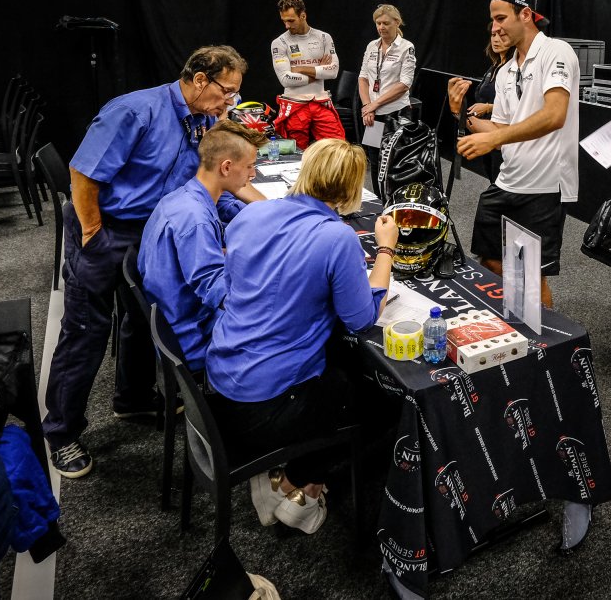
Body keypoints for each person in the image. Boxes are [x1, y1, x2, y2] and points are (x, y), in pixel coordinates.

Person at [43, 45, 261, 479]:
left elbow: (207, 179)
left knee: (142, 318)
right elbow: (82, 175)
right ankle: (61, 432)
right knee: (86, 330)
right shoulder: (134, 111)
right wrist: (93, 234)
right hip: (105, 226)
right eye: (226, 91)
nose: (230, 101)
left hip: (147, 228)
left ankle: (133, 399)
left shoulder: (201, 119)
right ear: (200, 80)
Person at [204, 138, 398, 534]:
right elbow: (361, 319)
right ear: (351, 191)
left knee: (340, 375)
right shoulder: (337, 237)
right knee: (384, 404)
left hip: (221, 380)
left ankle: (301, 481)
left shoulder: (251, 214)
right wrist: (385, 250)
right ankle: (295, 483)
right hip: (265, 406)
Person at [449, 0, 579, 307]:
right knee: (490, 261)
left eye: (501, 18)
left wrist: (494, 138)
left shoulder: (556, 51)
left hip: (544, 186)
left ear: (525, 14)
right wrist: (460, 113)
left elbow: (555, 115)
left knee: (530, 276)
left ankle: (543, 336)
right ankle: (511, 323)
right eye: (492, 20)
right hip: (507, 181)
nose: (495, 28)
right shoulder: (506, 70)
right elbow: (501, 128)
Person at [138, 121, 267, 374]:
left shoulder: (183, 197)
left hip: (179, 319)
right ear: (226, 167)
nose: (252, 175)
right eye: (250, 166)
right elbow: (218, 292)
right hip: (195, 337)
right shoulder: (196, 220)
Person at [271, 0, 345, 150]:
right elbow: (286, 79)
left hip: (320, 102)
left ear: (303, 16)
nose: (287, 25)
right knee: (295, 153)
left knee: (336, 148)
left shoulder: (324, 37)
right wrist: (319, 72)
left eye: (291, 20)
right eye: (284, 21)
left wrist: (300, 69)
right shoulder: (279, 43)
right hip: (294, 104)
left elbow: (333, 72)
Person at [358, 4, 417, 194]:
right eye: (378, 23)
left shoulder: (407, 47)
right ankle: (378, 200)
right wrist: (367, 106)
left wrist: (373, 105)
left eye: (386, 23)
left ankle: (395, 201)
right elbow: (363, 78)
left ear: (397, 22)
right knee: (375, 160)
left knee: (395, 161)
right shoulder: (371, 46)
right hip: (372, 114)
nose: (381, 27)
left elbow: (404, 84)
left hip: (396, 113)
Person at [468, 24, 515, 183]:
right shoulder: (494, 66)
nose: (496, 40)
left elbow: (518, 105)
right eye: (493, 35)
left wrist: (488, 107)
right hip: (485, 133)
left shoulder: (515, 68)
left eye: (501, 36)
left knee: (500, 182)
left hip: (503, 135)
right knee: (491, 176)